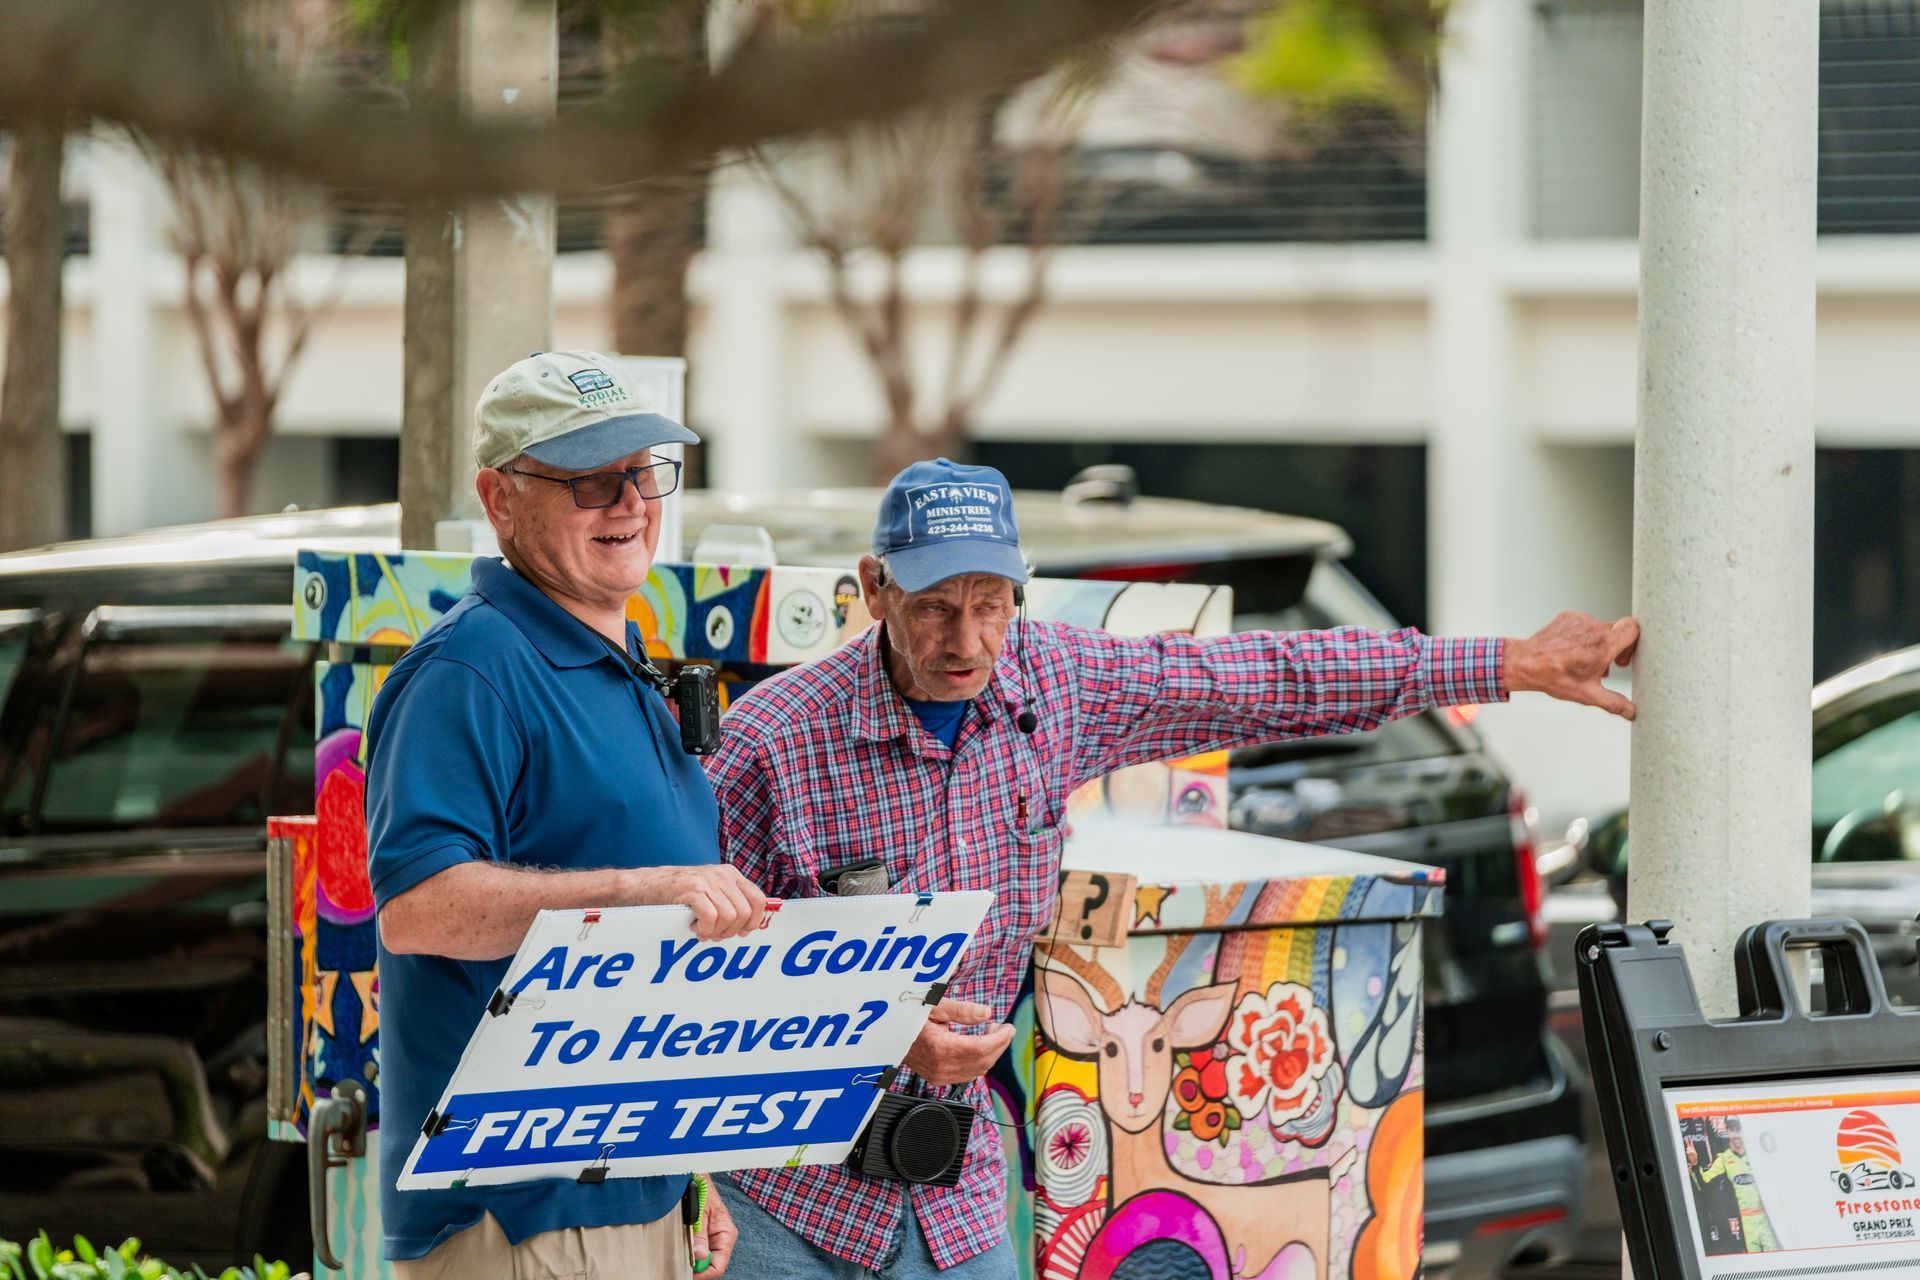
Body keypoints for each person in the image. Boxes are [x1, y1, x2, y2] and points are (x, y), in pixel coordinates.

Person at [704, 457, 1642, 1280]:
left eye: (990, 604)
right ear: (874, 590)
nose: (966, 641)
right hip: (783, 1196)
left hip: (956, 1187)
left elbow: (1274, 678)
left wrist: (1512, 663)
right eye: (935, 608)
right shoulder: (770, 741)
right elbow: (693, 977)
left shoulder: (1058, 683)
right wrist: (878, 1030)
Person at [365, 350, 765, 1279]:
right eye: (589, 479)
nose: (628, 502)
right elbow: (419, 909)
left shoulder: (624, 663)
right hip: (521, 1213)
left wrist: (686, 1170)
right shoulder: (469, 670)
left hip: (637, 1194)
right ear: (499, 499)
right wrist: (642, 890)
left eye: (643, 471)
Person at [1691, 1119, 1781, 1252]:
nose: (1736, 1135)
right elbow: (1704, 1180)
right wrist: (1695, 1164)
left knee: (1775, 1258)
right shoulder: (1724, 1158)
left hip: (1766, 1219)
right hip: (1745, 1222)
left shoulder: (1758, 1155)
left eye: (1738, 1130)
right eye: (1732, 1130)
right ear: (1727, 1131)